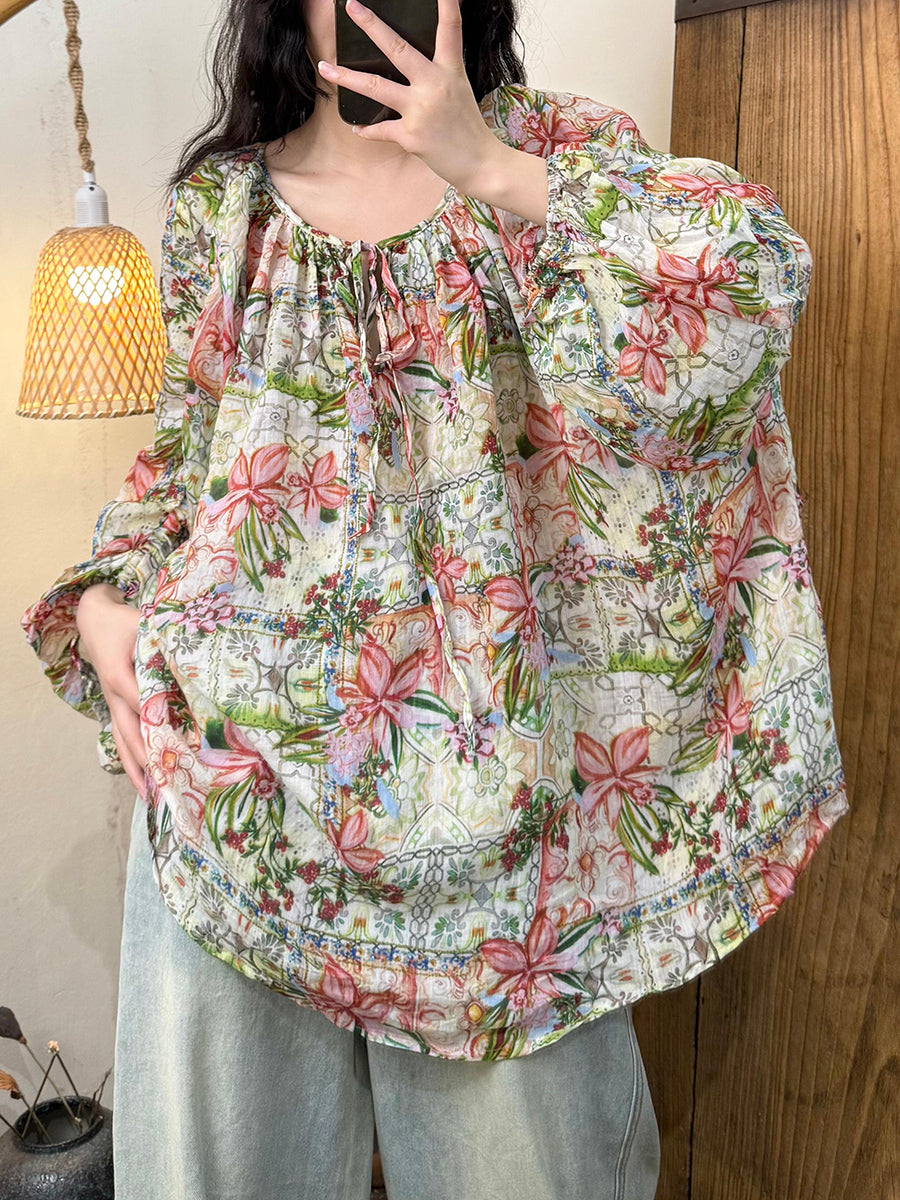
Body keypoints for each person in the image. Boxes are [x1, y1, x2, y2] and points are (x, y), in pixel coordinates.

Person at [19, 0, 851, 1196]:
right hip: (237, 809)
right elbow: (182, 464)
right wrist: (105, 603)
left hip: (514, 852)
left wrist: (488, 167)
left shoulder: (554, 157)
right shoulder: (223, 210)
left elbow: (752, 288)